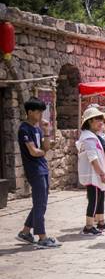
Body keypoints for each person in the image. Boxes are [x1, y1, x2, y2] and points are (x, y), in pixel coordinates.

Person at [16, 97, 61, 248]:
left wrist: (46, 131)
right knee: (40, 204)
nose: (41, 114)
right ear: (30, 112)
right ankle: (42, 237)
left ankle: (25, 231)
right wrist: (42, 151)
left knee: (40, 202)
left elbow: (45, 147)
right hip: (34, 170)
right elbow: (34, 152)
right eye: (38, 112)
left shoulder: (37, 128)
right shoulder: (24, 129)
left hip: (42, 168)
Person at [76, 106, 105, 236]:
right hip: (93, 173)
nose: (101, 122)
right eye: (98, 119)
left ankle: (100, 221)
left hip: (95, 173)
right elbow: (93, 158)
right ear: (90, 121)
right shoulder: (89, 138)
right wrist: (102, 173)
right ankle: (89, 225)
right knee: (94, 199)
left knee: (99, 197)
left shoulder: (92, 136)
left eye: (102, 119)